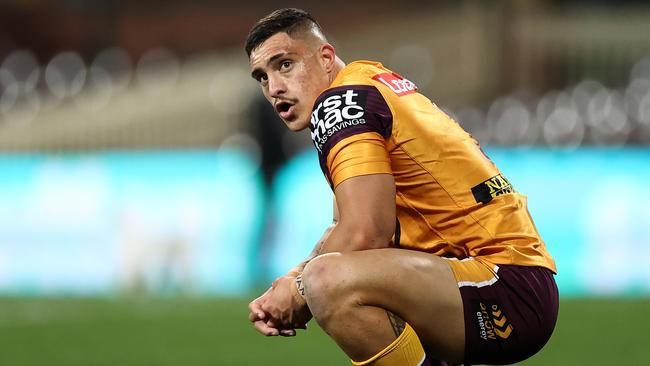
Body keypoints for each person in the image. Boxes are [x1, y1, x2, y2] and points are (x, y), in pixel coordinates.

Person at [245, 8, 558, 366]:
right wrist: (291, 278)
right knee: (326, 274)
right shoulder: (369, 82)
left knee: (327, 281)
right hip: (501, 279)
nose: (274, 88)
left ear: (326, 57)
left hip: (502, 286)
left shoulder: (340, 105)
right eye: (262, 77)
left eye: (284, 65)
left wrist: (299, 289)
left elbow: (366, 233)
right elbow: (343, 227)